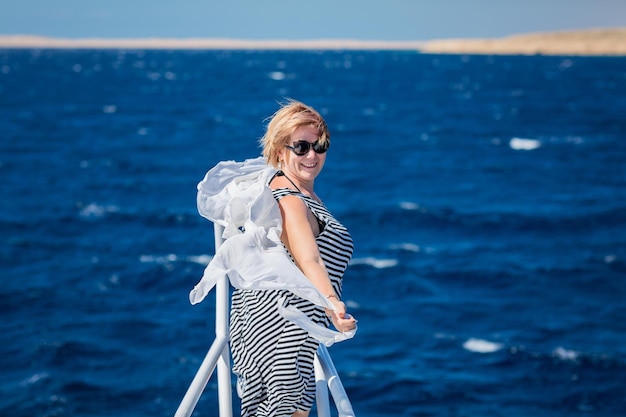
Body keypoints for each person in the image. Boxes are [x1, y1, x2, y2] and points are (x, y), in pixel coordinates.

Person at [228, 99, 357, 417]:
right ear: (279, 150)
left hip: (266, 321)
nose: (313, 155)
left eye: (320, 145)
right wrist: (333, 303)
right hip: (283, 328)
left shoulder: (285, 186)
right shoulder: (290, 198)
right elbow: (308, 257)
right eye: (301, 147)